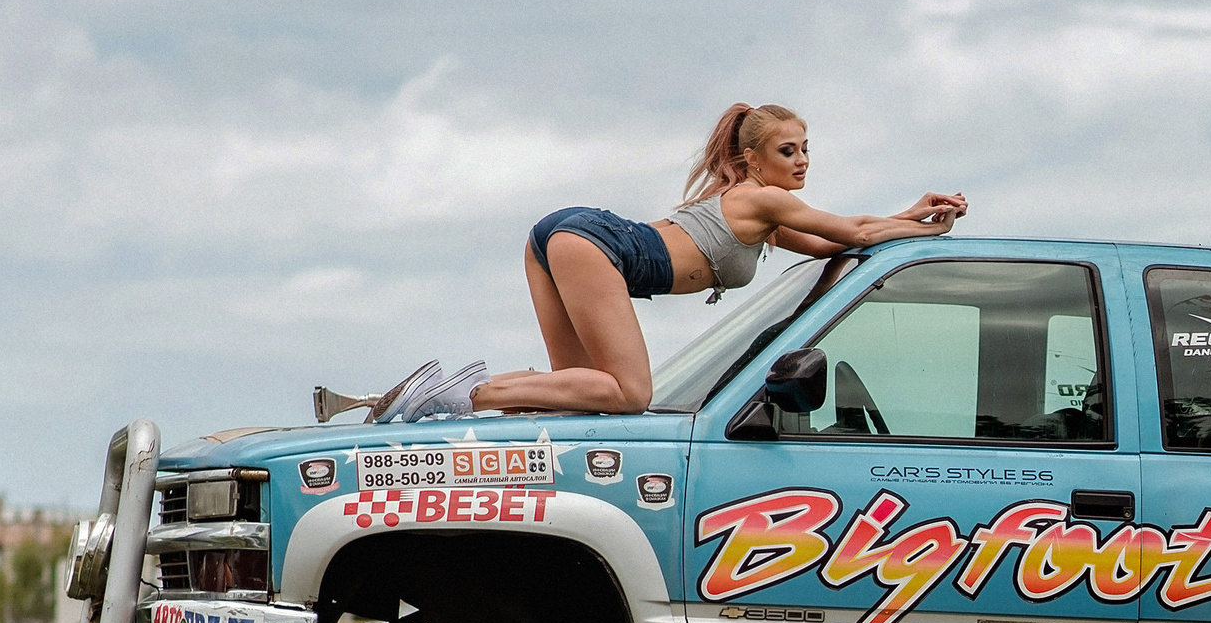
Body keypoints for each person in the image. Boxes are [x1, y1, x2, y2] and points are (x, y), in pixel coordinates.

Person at [380, 103, 965, 420]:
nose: (802, 160)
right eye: (788, 151)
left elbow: (835, 244)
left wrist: (915, 223)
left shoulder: (759, 215)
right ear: (753, 159)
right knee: (631, 393)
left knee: (575, 399)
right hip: (597, 243)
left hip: (562, 237)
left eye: (806, 149)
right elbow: (853, 227)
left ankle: (442, 398)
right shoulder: (762, 198)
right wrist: (917, 215)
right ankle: (460, 395)